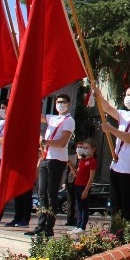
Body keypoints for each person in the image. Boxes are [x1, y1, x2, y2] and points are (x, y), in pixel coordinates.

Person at [98, 85, 130, 222]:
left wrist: (111, 129)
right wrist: (98, 95)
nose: (126, 98)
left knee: (127, 206)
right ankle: (115, 234)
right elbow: (108, 108)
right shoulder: (125, 114)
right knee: (115, 205)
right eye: (125, 95)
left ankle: (128, 234)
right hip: (117, 165)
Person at [27, 94, 75, 237]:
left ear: (69, 104)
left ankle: (49, 226)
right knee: (42, 193)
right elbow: (38, 116)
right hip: (46, 157)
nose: (60, 105)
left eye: (63, 102)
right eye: (58, 102)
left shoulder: (69, 120)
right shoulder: (53, 118)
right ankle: (40, 225)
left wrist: (45, 142)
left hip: (57, 159)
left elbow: (62, 142)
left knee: (51, 193)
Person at [70, 138, 97, 234]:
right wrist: (70, 165)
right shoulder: (82, 160)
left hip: (84, 186)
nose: (85, 150)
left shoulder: (92, 161)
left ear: (93, 149)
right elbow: (77, 174)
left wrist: (86, 190)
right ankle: (78, 225)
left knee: (84, 207)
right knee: (79, 207)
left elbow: (91, 177)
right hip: (77, 185)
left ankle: (82, 226)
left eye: (87, 148)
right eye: (84, 148)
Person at [63, 145, 78, 226]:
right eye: (78, 147)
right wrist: (64, 182)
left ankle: (76, 220)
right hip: (71, 181)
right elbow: (67, 170)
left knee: (76, 202)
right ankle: (69, 220)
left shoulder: (84, 158)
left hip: (79, 181)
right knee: (70, 201)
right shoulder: (71, 157)